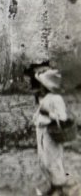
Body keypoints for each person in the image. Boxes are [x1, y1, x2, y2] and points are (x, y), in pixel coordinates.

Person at [32, 66, 76, 195]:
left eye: (41, 85)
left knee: (53, 160)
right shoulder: (46, 96)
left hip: (51, 132)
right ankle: (54, 185)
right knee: (44, 160)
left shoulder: (56, 98)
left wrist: (48, 113)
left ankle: (59, 188)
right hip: (42, 131)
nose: (40, 88)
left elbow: (62, 117)